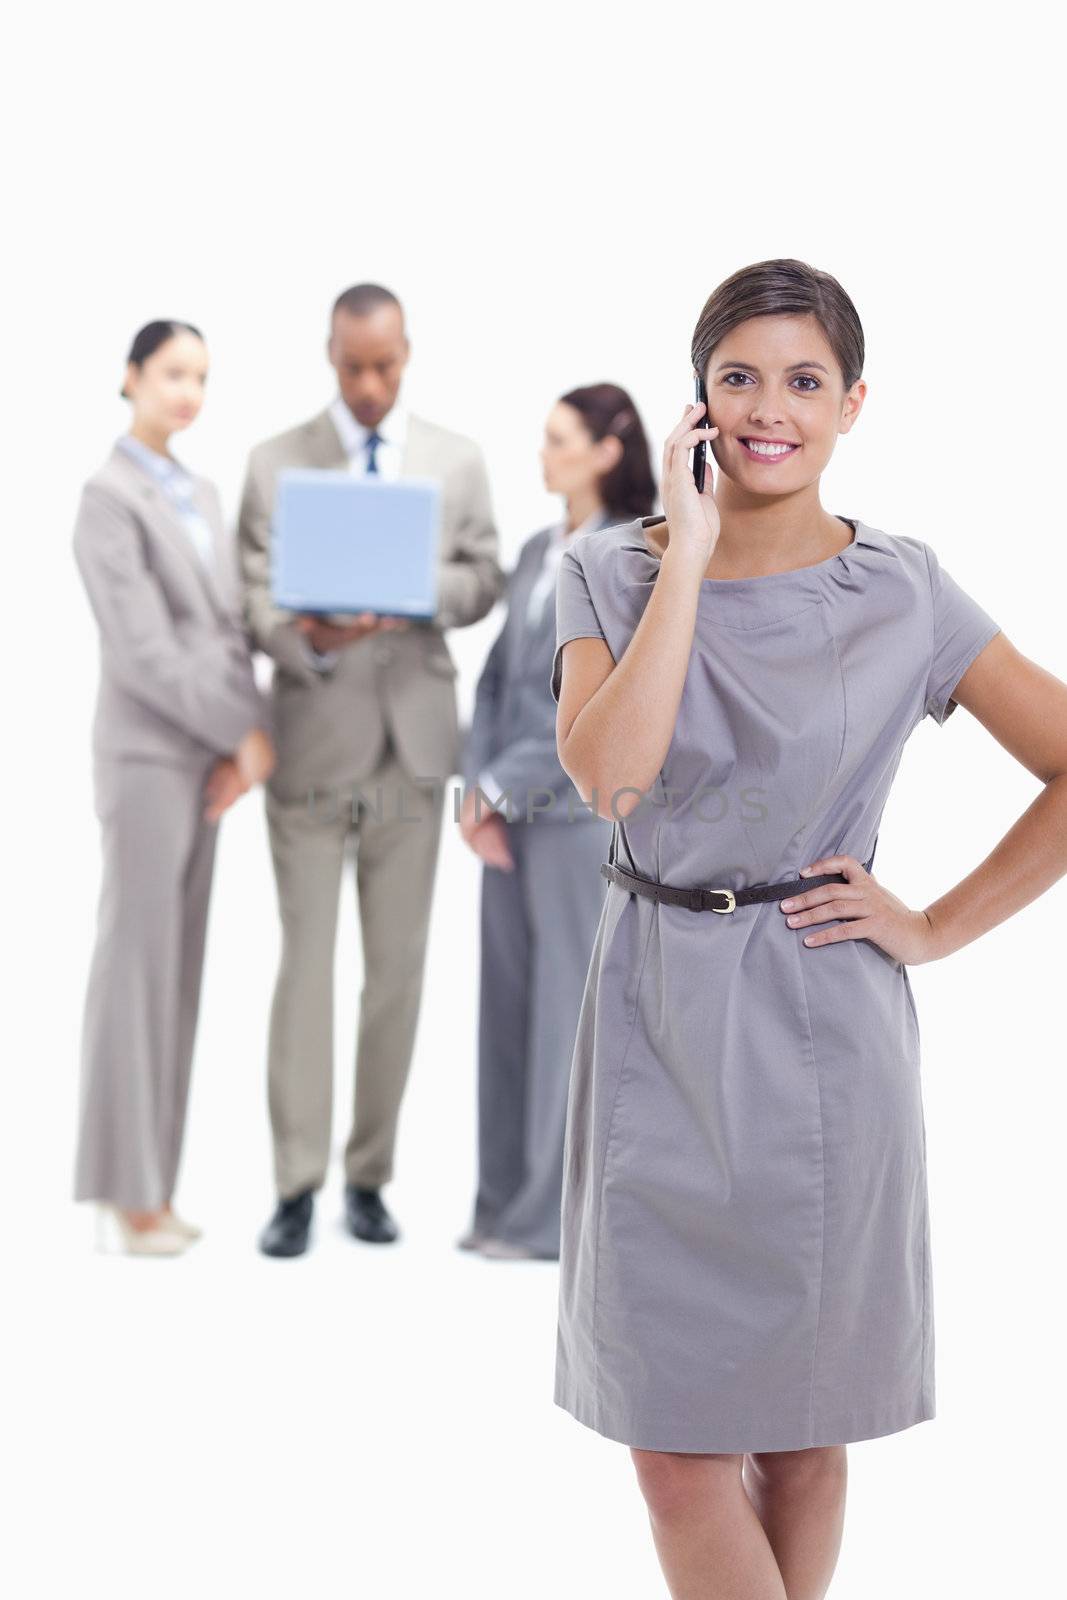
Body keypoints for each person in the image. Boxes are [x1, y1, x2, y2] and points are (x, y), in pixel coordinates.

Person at [550, 257, 1067, 1599]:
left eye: (800, 380)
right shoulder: (606, 570)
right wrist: (692, 557)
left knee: (799, 1439)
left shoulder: (900, 590)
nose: (767, 408)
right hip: (655, 1018)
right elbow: (610, 778)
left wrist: (937, 927)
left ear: (849, 404)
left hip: (820, 1025)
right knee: (672, 1456)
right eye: (737, 378)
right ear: (697, 403)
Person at [238, 282, 504, 1258]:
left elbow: (484, 577)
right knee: (305, 969)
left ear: (406, 353)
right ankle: (294, 1184)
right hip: (311, 740)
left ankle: (367, 1177)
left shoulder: (457, 459)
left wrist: (411, 591)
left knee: (395, 973)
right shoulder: (274, 463)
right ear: (328, 354)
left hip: (413, 745)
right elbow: (250, 593)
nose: (367, 384)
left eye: (383, 365)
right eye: (351, 366)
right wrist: (302, 628)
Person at [73, 319, 275, 1257]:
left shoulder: (199, 489)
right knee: (136, 966)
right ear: (131, 378)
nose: (187, 391)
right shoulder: (106, 498)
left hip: (206, 757)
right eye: (171, 374)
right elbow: (144, 650)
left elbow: (228, 633)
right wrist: (234, 729)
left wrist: (250, 740)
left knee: (179, 967)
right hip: (149, 756)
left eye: (200, 376)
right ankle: (124, 1193)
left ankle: (154, 1187)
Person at [457, 384, 654, 1260]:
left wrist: (500, 785)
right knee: (502, 1010)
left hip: (575, 820)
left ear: (606, 450)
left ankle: (546, 1222)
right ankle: (497, 1206)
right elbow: (498, 682)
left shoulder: (630, 553)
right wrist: (476, 792)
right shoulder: (541, 550)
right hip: (504, 821)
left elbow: (591, 703)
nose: (542, 453)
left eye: (557, 439)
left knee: (560, 1021)